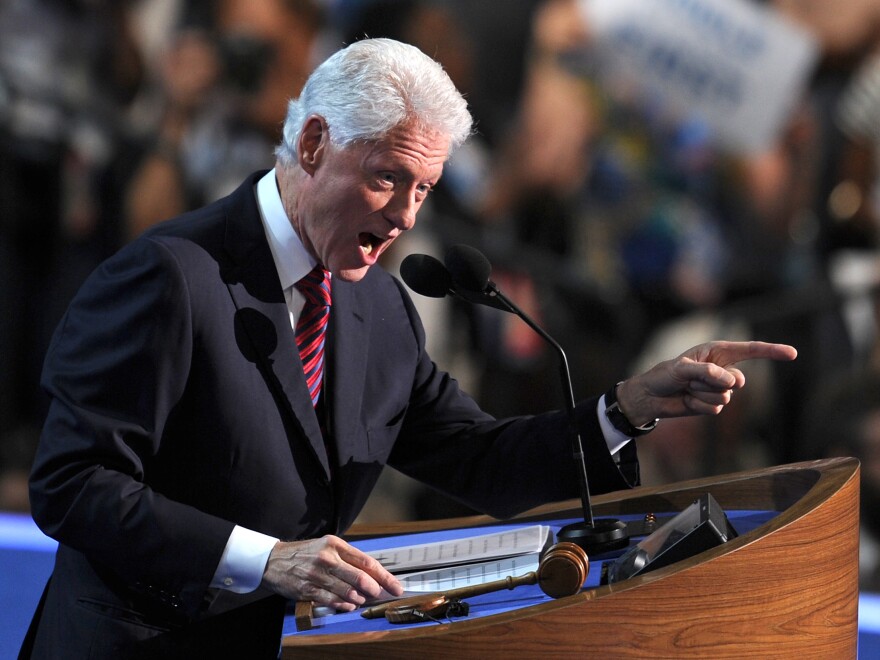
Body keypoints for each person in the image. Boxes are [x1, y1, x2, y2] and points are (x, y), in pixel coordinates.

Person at [21, 38, 797, 658]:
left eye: (424, 189)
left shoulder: (380, 307)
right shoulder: (171, 277)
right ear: (316, 142)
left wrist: (624, 409)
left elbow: (475, 458)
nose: (405, 218)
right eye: (390, 178)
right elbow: (72, 483)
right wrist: (267, 559)